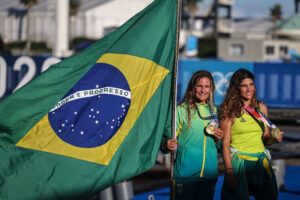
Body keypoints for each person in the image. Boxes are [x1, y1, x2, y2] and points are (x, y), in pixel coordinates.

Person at [219, 68, 284, 200]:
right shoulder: (229, 111)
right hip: (239, 164)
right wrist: (229, 171)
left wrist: (274, 139)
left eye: (251, 84)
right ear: (236, 88)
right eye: (244, 85)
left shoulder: (261, 108)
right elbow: (225, 145)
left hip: (260, 163)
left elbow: (265, 138)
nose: (249, 89)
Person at [162, 70, 223, 200]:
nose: (203, 90)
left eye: (207, 87)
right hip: (185, 176)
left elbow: (219, 148)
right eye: (199, 86)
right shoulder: (181, 110)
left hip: (209, 175)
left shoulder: (215, 112)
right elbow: (167, 144)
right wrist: (167, 145)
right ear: (192, 87)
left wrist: (219, 139)